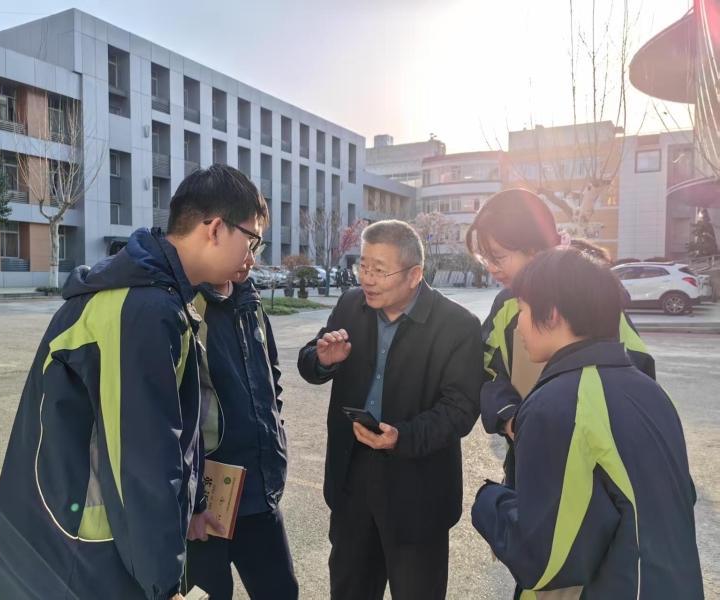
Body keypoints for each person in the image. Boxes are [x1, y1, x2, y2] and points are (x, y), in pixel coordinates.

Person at [0, 165, 268, 600]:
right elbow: (141, 459)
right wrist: (163, 582)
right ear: (214, 229)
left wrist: (193, 507)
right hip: (87, 549)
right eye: (252, 239)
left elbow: (173, 435)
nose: (252, 256)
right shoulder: (144, 309)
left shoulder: (154, 294)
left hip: (93, 539)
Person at [471, 248, 703, 598]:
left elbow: (545, 559)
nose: (517, 325)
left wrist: (488, 501)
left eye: (522, 310)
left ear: (552, 314)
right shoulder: (650, 391)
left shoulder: (556, 404)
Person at [297, 220, 483, 600]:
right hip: (352, 480)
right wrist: (323, 360)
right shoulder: (351, 305)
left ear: (414, 275)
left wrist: (403, 437)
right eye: (363, 266)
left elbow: (461, 409)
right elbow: (310, 360)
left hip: (418, 490)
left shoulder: (457, 326)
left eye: (379, 270)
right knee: (349, 588)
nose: (367, 279)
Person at [466, 188, 655, 486]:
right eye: (485, 258)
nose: (491, 268)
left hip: (592, 462)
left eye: (498, 257)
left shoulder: (591, 297)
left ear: (534, 249)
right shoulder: (505, 305)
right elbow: (489, 373)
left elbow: (637, 372)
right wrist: (510, 417)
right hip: (529, 454)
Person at [185, 247, 298, 599]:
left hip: (259, 492)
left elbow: (271, 377)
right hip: (204, 500)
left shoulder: (251, 301)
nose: (250, 259)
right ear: (215, 235)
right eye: (244, 245)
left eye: (256, 247)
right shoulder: (185, 307)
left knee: (282, 592)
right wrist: (191, 500)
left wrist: (274, 434)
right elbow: (170, 414)